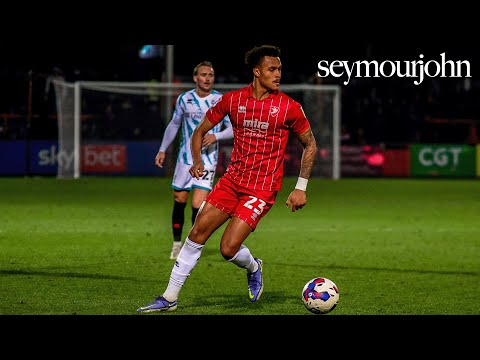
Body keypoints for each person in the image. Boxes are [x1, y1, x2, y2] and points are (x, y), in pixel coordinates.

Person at [138, 45, 317, 313]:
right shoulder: (233, 100)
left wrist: (300, 187)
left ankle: (254, 266)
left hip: (261, 189)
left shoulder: (289, 107)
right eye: (272, 69)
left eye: (279, 69)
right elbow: (199, 131)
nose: (278, 74)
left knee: (228, 248)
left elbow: (310, 144)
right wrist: (197, 161)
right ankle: (169, 298)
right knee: (197, 232)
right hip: (231, 182)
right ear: (257, 72)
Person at [155, 61, 233, 259]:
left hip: (208, 158)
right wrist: (163, 149)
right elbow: (174, 125)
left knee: (198, 204)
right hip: (184, 158)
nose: (207, 78)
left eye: (210, 75)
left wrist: (216, 136)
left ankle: (191, 247)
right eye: (203, 74)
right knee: (179, 199)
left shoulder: (220, 100)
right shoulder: (184, 99)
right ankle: (176, 243)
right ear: (195, 78)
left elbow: (232, 128)